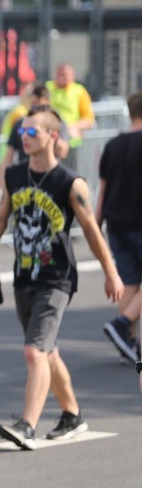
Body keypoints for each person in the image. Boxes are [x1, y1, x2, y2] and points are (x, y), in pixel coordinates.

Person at [0, 107, 123, 450]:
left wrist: (111, 272)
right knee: (47, 352)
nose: (24, 135)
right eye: (23, 130)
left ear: (53, 136)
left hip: (56, 279)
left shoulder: (69, 182)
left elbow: (92, 231)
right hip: (24, 277)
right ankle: (72, 414)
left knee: (34, 351)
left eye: (32, 131)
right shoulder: (14, 175)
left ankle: (27, 425)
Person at [97, 91, 142, 364]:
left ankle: (130, 342)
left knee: (131, 282)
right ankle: (123, 323)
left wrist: (95, 223)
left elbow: (102, 190)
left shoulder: (113, 144)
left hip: (116, 223)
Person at [0, 90, 71, 192]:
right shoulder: (21, 123)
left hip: (50, 175)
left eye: (32, 132)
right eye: (32, 104)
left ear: (47, 103)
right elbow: (8, 154)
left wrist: (47, 135)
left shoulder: (57, 122)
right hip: (25, 175)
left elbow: (63, 151)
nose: (25, 136)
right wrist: (1, 180)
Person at [46, 63, 95, 173]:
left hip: (72, 143)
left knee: (70, 174)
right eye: (59, 74)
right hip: (50, 140)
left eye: (65, 74)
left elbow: (89, 119)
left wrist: (73, 127)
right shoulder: (48, 88)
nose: (62, 77)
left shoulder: (79, 91)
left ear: (72, 75)